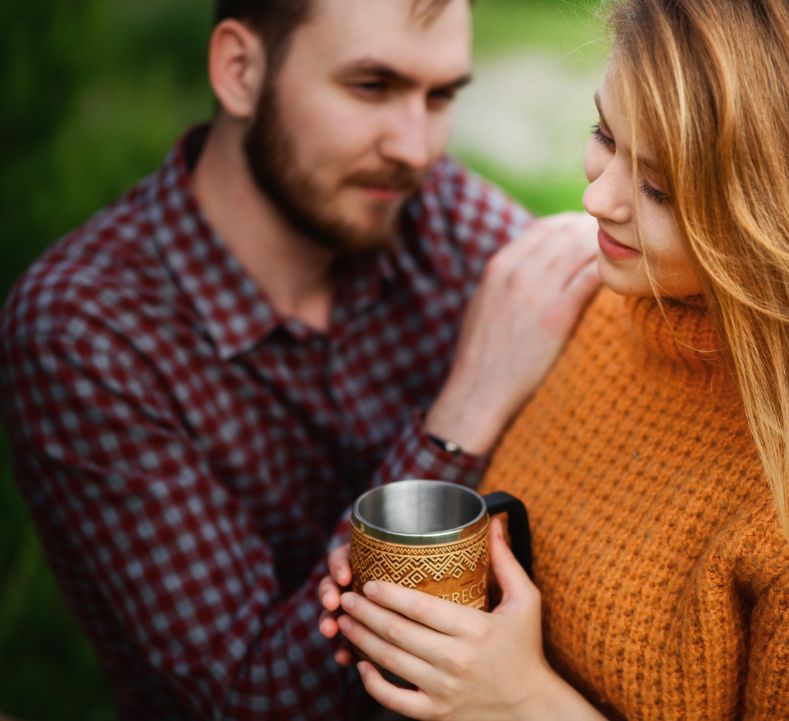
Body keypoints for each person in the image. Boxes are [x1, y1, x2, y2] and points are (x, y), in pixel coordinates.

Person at [320, 0, 789, 718]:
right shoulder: (598, 302)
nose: (596, 197)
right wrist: (420, 606)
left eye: (660, 189)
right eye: (605, 134)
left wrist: (521, 701)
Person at [0, 0, 599, 718]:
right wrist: (464, 412)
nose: (417, 147)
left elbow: (607, 326)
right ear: (240, 70)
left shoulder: (428, 210)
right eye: (371, 87)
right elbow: (252, 697)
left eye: (440, 96)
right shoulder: (86, 330)